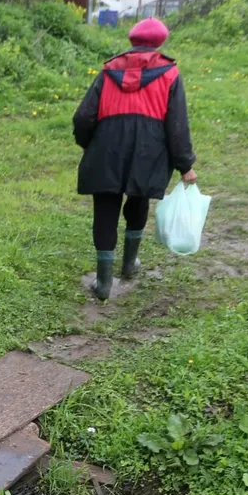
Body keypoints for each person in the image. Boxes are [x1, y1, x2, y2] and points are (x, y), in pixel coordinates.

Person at [72, 17, 197, 301]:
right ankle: (129, 265)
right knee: (138, 199)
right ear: (160, 42)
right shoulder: (170, 74)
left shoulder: (108, 71)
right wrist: (185, 164)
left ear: (132, 40)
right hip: (148, 151)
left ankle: (103, 283)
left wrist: (89, 144)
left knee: (105, 209)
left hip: (107, 147)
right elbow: (177, 125)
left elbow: (83, 117)